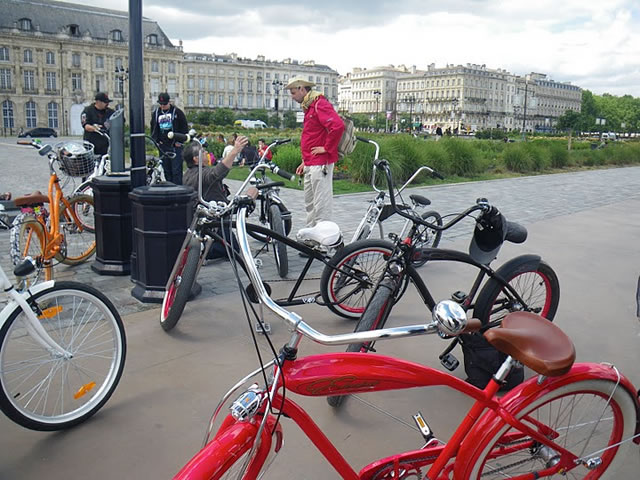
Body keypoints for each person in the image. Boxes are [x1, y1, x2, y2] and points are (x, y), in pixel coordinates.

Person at [286, 76, 344, 228]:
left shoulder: (320, 104)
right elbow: (314, 136)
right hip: (311, 163)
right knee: (311, 204)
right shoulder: (310, 106)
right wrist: (305, 161)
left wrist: (326, 148)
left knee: (321, 205)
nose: (291, 97)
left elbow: (337, 126)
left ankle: (322, 243)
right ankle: (311, 238)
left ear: (301, 88)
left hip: (321, 163)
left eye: (293, 93)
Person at [182, 135, 248, 259]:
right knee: (233, 249)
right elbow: (217, 173)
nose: (206, 152)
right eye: (203, 152)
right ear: (196, 159)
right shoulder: (201, 174)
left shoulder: (188, 174)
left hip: (201, 219)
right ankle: (200, 250)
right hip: (214, 219)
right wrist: (235, 151)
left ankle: (200, 247)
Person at [150, 92, 189, 184]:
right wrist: (156, 141)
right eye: (161, 104)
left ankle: (178, 188)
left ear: (169, 102)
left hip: (175, 146)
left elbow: (184, 128)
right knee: (167, 170)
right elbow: (153, 128)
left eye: (165, 104)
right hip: (163, 146)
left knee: (176, 170)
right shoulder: (156, 113)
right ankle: (169, 186)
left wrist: (179, 141)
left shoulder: (177, 112)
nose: (162, 106)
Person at [81, 92, 115, 156]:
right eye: (105, 102)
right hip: (91, 145)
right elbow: (86, 125)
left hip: (105, 145)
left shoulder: (109, 112)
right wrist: (94, 128)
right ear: (98, 102)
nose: (107, 104)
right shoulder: (88, 110)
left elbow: (119, 118)